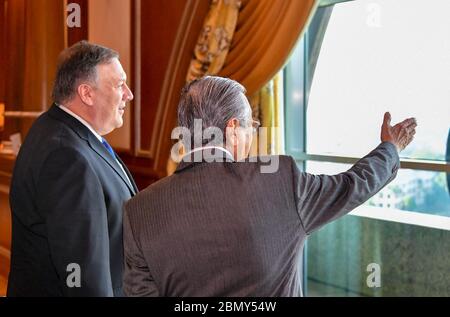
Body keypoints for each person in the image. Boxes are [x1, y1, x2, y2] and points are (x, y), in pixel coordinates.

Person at [122, 76, 416, 296]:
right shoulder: (280, 181)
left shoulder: (139, 210)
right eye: (252, 125)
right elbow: (352, 185)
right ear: (233, 129)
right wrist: (390, 148)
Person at [7, 41, 137, 296]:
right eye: (120, 84)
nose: (128, 94)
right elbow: (82, 272)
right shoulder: (66, 156)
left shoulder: (62, 130)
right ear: (86, 93)